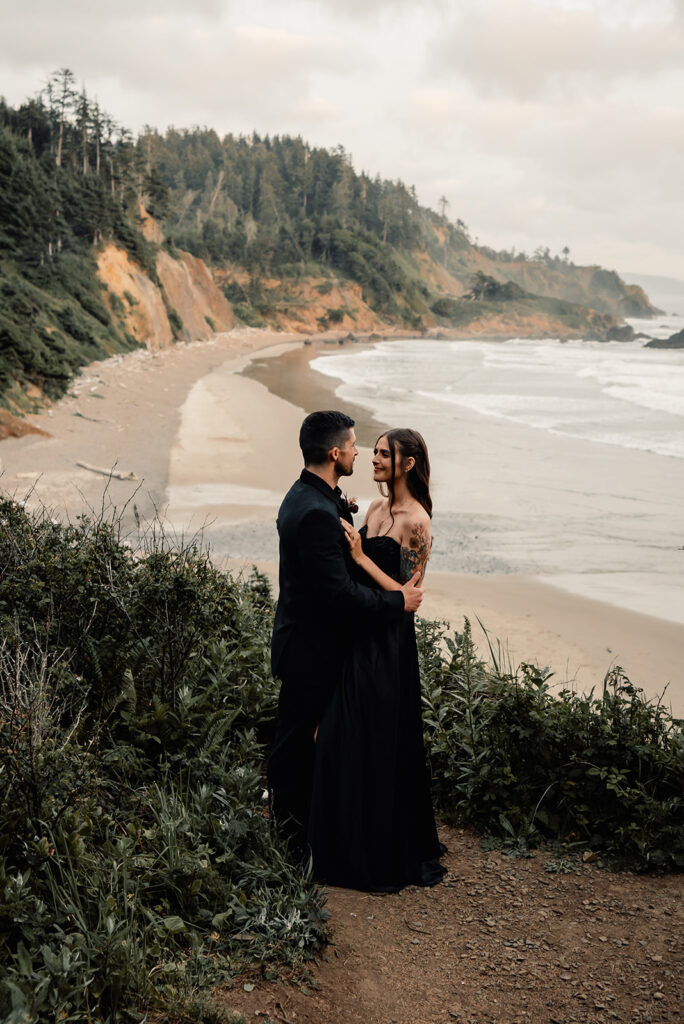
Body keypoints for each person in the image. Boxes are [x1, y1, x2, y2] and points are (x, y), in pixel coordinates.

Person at [268, 411, 424, 856]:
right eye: (356, 446)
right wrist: (398, 603)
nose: (361, 452)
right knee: (298, 744)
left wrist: (345, 511)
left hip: (315, 641)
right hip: (311, 647)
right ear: (335, 453)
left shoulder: (311, 495)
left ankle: (317, 829)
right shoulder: (316, 510)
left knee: (313, 739)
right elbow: (338, 596)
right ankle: (293, 842)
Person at [307, 427, 446, 892]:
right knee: (341, 734)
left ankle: (377, 848)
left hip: (388, 642)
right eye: (376, 452)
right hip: (357, 630)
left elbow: (411, 596)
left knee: (377, 736)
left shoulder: (418, 521)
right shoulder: (373, 507)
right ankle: (340, 844)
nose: (375, 458)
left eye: (386, 454)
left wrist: (363, 559)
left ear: (408, 464)